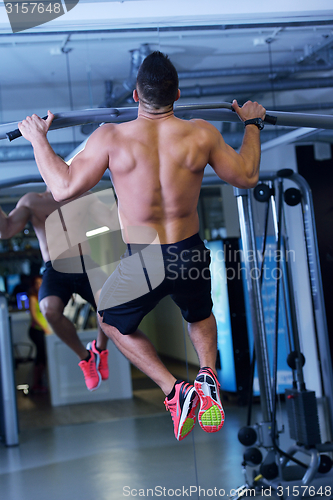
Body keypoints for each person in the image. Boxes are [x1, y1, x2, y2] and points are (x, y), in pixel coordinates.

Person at [18, 51, 266, 441]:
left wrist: (37, 139)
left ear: (135, 95)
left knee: (111, 321)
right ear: (178, 94)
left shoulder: (111, 137)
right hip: (188, 250)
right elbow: (248, 176)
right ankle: (206, 374)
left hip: (144, 259)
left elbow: (62, 187)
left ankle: (175, 391)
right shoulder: (201, 133)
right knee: (199, 312)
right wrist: (252, 124)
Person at [0, 187, 110, 391]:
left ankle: (100, 350)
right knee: (49, 309)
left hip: (85, 263)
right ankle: (85, 357)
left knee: (110, 300)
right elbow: (5, 230)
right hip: (56, 267)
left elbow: (111, 220)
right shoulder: (32, 201)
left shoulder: (83, 197)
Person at [27, 274, 51, 392]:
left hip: (43, 330)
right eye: (36, 283)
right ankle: (36, 384)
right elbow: (34, 316)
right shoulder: (33, 298)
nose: (39, 285)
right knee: (41, 357)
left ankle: (41, 382)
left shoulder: (44, 295)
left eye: (40, 282)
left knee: (42, 357)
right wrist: (44, 328)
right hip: (36, 330)